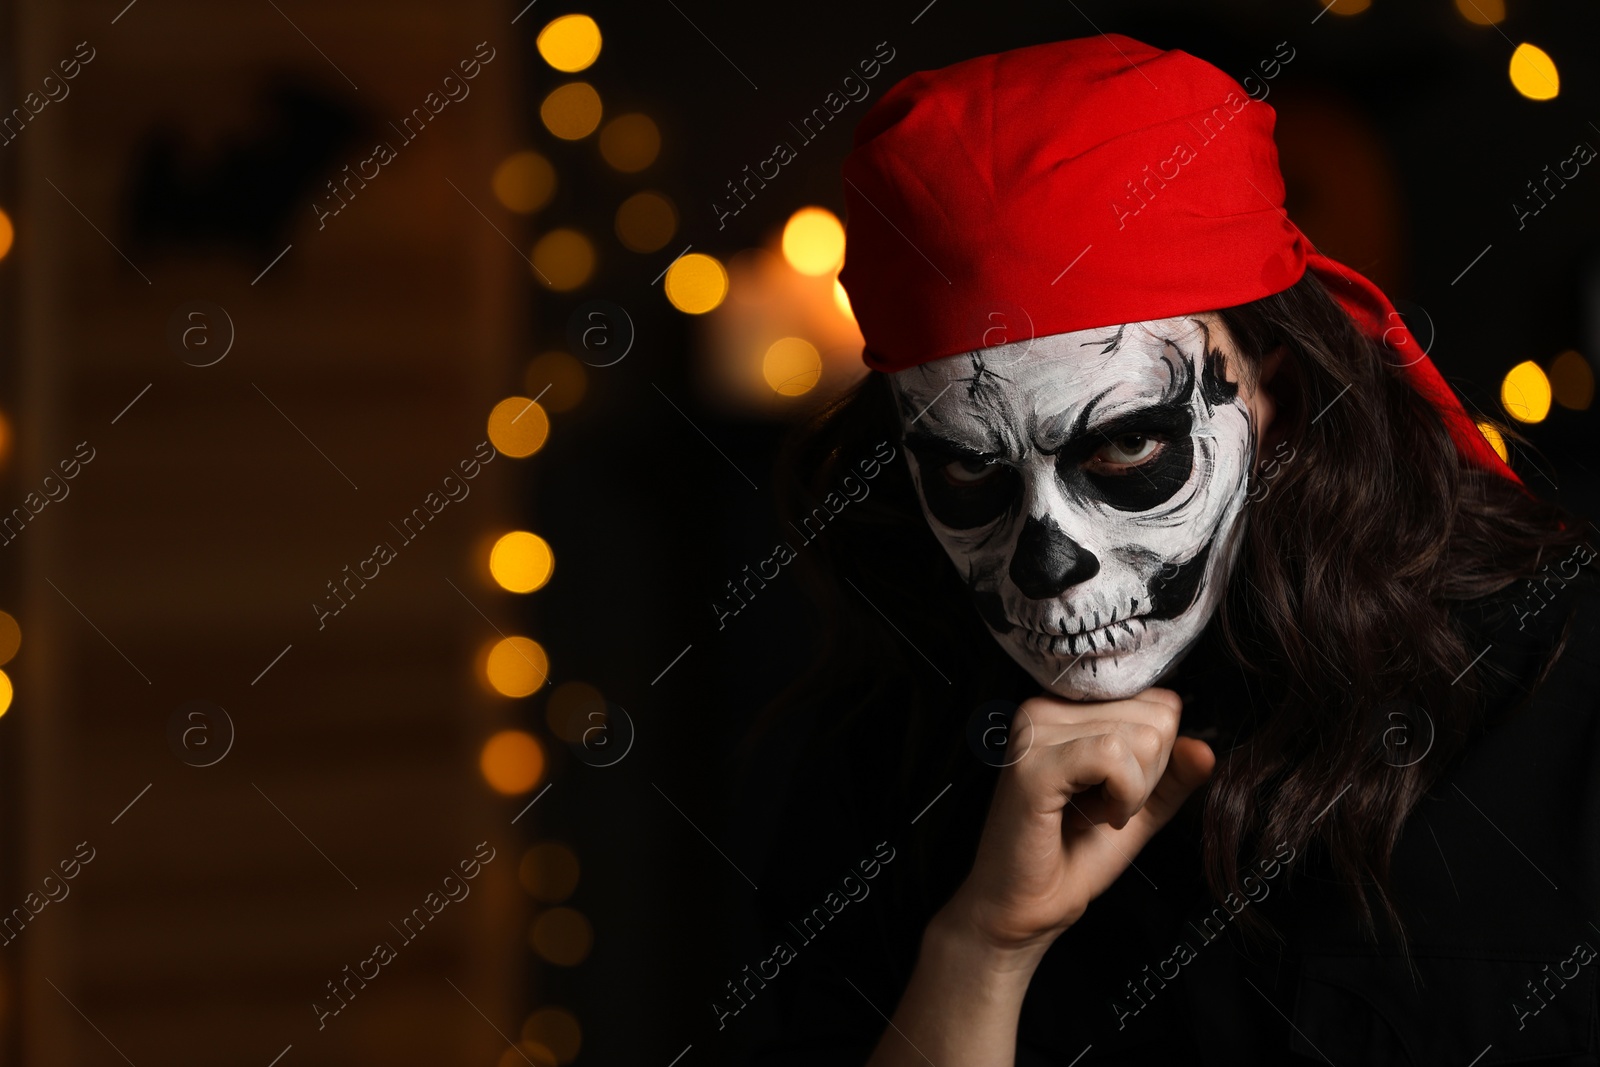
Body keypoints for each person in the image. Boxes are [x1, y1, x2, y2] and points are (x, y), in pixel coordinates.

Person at [733, 33, 1600, 1066]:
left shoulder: (1563, 692)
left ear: (1271, 387)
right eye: (970, 473)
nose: (1047, 557)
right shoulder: (875, 771)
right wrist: (979, 952)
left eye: (1126, 442)